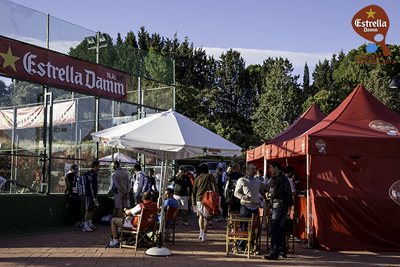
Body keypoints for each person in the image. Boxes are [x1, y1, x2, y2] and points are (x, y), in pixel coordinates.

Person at [234, 164, 273, 251]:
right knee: (243, 227)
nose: (254, 170)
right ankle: (241, 246)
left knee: (256, 228)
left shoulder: (257, 181)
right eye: (253, 169)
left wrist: (272, 180)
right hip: (245, 206)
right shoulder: (241, 180)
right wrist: (243, 197)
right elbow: (236, 193)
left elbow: (266, 186)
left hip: (255, 207)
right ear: (247, 170)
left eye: (255, 169)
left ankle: (253, 244)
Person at [263, 160, 294, 260]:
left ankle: (274, 252)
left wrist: (269, 195)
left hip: (279, 205)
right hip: (281, 205)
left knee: (275, 228)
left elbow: (280, 192)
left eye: (271, 168)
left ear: (276, 167)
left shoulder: (281, 178)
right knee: (280, 229)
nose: (270, 170)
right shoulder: (282, 178)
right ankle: (281, 250)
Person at [192, 163, 217, 241]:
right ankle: (204, 235)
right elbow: (215, 189)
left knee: (200, 216)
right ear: (207, 169)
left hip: (198, 199)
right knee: (207, 217)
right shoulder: (211, 177)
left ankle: (201, 232)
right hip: (208, 199)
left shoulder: (198, 178)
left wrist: (193, 202)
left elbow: (193, 190)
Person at [83, 160, 100, 232]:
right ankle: (85, 226)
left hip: (92, 194)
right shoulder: (91, 175)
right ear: (95, 166)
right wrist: (94, 197)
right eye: (98, 166)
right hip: (90, 195)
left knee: (92, 209)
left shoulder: (93, 174)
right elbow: (92, 186)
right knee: (88, 210)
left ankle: (90, 224)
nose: (99, 167)